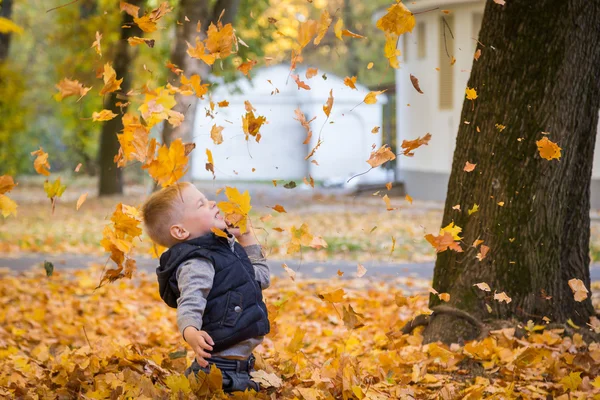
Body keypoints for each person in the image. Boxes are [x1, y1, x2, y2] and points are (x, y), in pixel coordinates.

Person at [141, 182, 270, 393]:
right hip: (220, 372)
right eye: (201, 204)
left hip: (240, 368)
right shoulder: (197, 263)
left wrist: (246, 238)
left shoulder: (224, 249)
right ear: (180, 231)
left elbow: (262, 278)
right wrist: (190, 331)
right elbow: (191, 300)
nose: (211, 203)